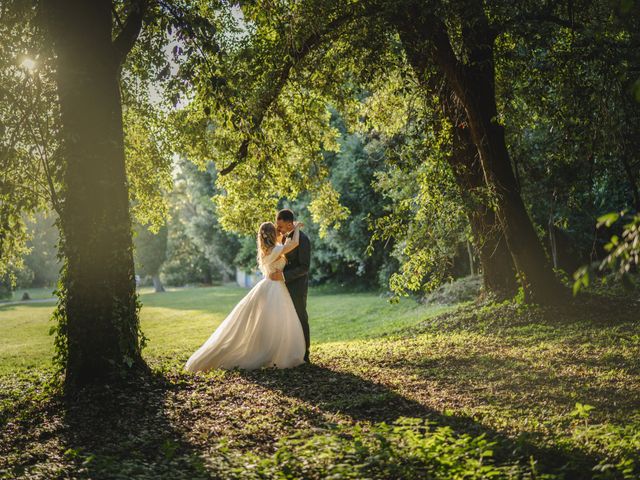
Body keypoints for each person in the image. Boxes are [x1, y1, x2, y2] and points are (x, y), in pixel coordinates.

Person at [185, 221, 305, 371]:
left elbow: (281, 244)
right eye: (276, 230)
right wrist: (297, 227)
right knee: (278, 322)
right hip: (275, 288)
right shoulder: (276, 250)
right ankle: (275, 354)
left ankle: (272, 352)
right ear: (272, 234)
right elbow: (294, 243)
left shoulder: (267, 250)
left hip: (268, 286)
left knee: (270, 323)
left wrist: (282, 234)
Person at [270, 209, 311, 363]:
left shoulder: (303, 239)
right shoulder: (282, 239)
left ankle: (305, 353)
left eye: (280, 226)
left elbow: (304, 267)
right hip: (281, 287)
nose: (278, 229)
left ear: (289, 224)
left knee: (300, 316)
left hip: (297, 286)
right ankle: (290, 350)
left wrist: (284, 275)